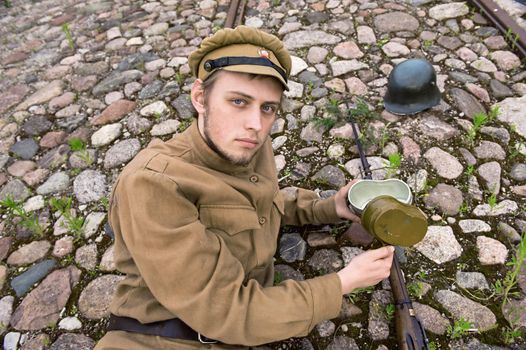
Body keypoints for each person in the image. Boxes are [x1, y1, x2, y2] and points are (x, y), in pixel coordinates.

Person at [95, 25, 394, 350]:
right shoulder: (153, 184)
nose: (256, 124)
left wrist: (327, 207)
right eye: (238, 101)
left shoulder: (245, 143)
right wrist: (342, 283)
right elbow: (230, 312)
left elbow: (260, 205)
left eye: (268, 108)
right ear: (200, 98)